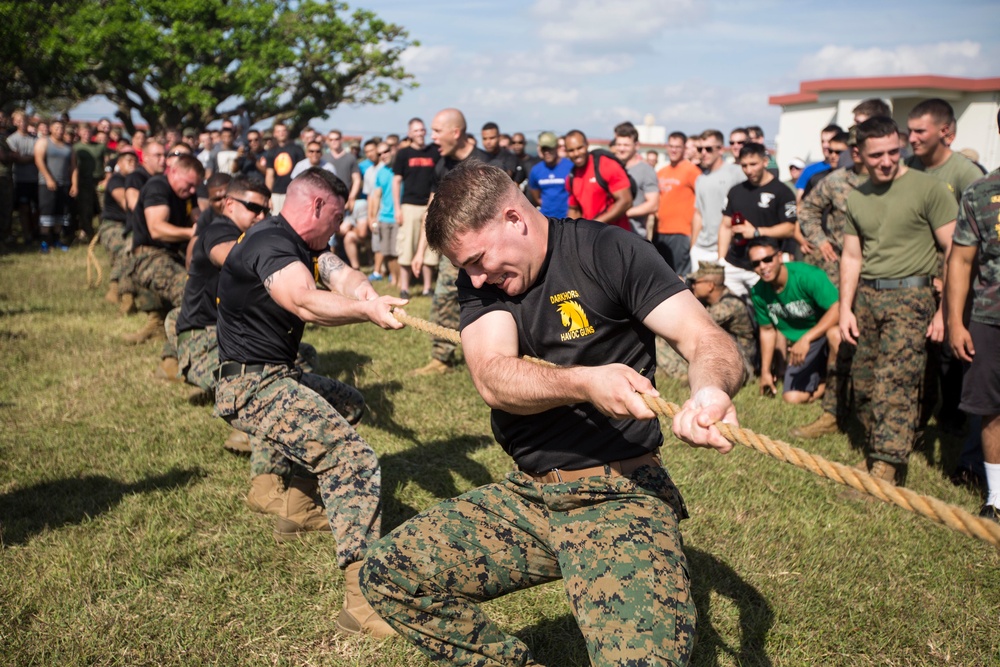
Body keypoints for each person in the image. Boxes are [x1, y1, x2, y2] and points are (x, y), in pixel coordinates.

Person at [360, 161, 744, 666]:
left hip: (618, 495)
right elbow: (492, 375)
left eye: (478, 259)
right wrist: (584, 381)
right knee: (390, 573)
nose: (476, 278)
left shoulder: (608, 250)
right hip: (531, 494)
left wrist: (711, 391)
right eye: (466, 267)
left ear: (515, 219)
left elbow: (705, 339)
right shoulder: (483, 282)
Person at [213, 168, 405, 637]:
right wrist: (365, 313)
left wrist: (367, 294)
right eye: (337, 216)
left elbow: (340, 274)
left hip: (278, 375)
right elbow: (302, 300)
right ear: (317, 206)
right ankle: (363, 605)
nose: (338, 228)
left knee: (347, 403)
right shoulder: (269, 244)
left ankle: (299, 508)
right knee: (351, 458)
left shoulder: (305, 244)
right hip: (251, 385)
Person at [839, 116, 956, 486]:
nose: (887, 161)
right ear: (859, 154)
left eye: (893, 151)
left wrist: (944, 311)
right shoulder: (857, 197)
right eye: (877, 155)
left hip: (912, 296)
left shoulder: (929, 189)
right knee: (866, 382)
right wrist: (845, 308)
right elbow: (852, 257)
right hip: (868, 297)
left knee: (895, 382)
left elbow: (954, 249)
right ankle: (883, 445)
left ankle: (886, 467)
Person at [410, 107, 489, 375]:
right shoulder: (442, 165)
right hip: (455, 253)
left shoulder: (486, 164)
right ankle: (441, 358)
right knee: (443, 299)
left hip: (489, 253)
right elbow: (432, 210)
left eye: (436, 131)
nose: (432, 137)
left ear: (455, 133)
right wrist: (421, 252)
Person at [947, 137, 1000, 521]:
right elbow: (961, 261)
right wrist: (954, 321)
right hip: (989, 317)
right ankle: (996, 498)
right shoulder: (980, 193)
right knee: (991, 409)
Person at [748, 239, 839, 404]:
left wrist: (806, 338)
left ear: (780, 257)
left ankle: (838, 387)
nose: (762, 266)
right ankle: (826, 383)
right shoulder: (758, 292)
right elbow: (768, 331)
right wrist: (766, 372)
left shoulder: (807, 276)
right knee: (792, 397)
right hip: (803, 347)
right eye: (756, 263)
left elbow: (837, 309)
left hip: (823, 333)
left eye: (768, 259)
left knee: (835, 335)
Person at [124, 154, 203, 343]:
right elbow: (157, 229)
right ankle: (179, 351)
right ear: (174, 172)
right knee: (188, 291)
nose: (192, 190)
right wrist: (191, 233)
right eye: (190, 184)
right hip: (148, 256)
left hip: (171, 254)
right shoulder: (157, 187)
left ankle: (157, 328)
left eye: (195, 187)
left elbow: (198, 219)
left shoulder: (187, 193)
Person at [717, 142, 797, 296]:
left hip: (763, 267)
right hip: (734, 265)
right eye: (744, 165)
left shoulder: (783, 192)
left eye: (753, 164)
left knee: (762, 315)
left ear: (765, 162)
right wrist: (721, 260)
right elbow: (725, 226)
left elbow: (790, 229)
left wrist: (756, 232)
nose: (749, 170)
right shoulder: (735, 191)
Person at [392, 118, 440, 297]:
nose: (420, 133)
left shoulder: (434, 152)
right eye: (416, 130)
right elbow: (396, 181)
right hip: (409, 205)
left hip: (430, 205)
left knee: (429, 250)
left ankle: (428, 288)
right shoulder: (403, 154)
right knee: (406, 247)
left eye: (422, 130)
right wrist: (397, 208)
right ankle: (404, 288)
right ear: (410, 133)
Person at [690, 129, 745, 270]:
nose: (703, 153)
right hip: (701, 248)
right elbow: (698, 213)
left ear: (720, 149)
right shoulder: (700, 179)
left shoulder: (737, 172)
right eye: (700, 148)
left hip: (725, 249)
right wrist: (693, 247)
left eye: (708, 149)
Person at [565, 129, 633, 231]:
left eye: (579, 148)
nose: (576, 153)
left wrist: (594, 224)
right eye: (571, 150)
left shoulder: (606, 165)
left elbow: (625, 201)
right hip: (591, 237)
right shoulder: (571, 177)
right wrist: (571, 232)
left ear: (587, 145)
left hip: (616, 235)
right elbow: (574, 210)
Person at [655, 130, 702, 275]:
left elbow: (702, 199)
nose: (674, 150)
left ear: (684, 149)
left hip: (681, 233)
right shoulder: (661, 172)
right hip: (660, 232)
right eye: (671, 146)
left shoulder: (691, 170)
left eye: (678, 147)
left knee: (679, 277)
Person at [34, 119, 78, 252]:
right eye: (57, 128)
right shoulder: (44, 142)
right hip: (46, 184)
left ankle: (56, 240)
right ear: (51, 129)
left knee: (61, 215)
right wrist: (48, 178)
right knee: (47, 214)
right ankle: (45, 242)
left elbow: (74, 167)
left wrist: (74, 184)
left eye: (62, 128)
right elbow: (38, 160)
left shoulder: (69, 147)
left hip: (64, 184)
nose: (60, 131)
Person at [612, 121, 659, 238]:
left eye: (626, 145)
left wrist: (621, 213)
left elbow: (653, 204)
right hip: (611, 234)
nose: (621, 149)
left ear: (636, 146)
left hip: (634, 236)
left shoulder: (646, 170)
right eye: (619, 144)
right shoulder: (611, 167)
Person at [526, 131, 573, 218]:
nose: (547, 152)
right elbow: (536, 195)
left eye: (550, 148)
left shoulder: (570, 167)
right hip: (546, 219)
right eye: (544, 149)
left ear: (556, 148)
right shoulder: (536, 170)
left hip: (567, 219)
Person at [263, 122, 304, 215]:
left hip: (294, 193)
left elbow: (302, 173)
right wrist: (268, 196)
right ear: (274, 133)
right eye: (278, 131)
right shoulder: (271, 151)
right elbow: (269, 175)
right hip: (276, 193)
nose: (281, 133)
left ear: (287, 132)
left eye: (283, 131)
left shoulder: (297, 149)